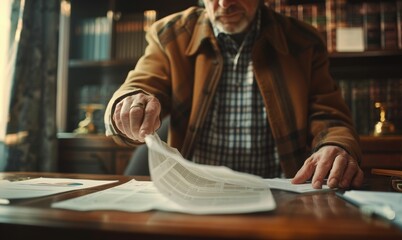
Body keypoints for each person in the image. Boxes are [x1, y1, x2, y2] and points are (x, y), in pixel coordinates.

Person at [104, 0, 364, 189]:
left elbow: (329, 116)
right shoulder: (171, 34)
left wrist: (335, 145)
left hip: (280, 190)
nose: (224, 3)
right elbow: (142, 83)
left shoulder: (304, 41)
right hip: (193, 192)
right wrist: (128, 103)